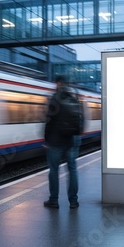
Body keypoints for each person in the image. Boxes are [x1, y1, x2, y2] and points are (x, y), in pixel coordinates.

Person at [43, 75, 82, 209]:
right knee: (72, 170)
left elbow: (49, 121)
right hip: (70, 140)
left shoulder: (55, 98)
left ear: (58, 83)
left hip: (55, 141)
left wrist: (46, 139)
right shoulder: (73, 98)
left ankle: (54, 200)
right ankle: (73, 201)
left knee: (54, 170)